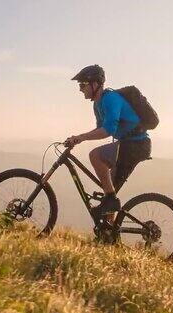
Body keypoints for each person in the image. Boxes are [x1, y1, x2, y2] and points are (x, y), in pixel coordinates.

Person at [65, 64, 152, 225]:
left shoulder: (111, 99)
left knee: (95, 156)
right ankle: (109, 234)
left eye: (83, 85)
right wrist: (77, 138)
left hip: (136, 145)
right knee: (109, 193)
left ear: (95, 84)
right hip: (128, 145)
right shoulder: (97, 104)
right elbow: (100, 129)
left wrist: (82, 137)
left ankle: (110, 200)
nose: (80, 89)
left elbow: (109, 130)